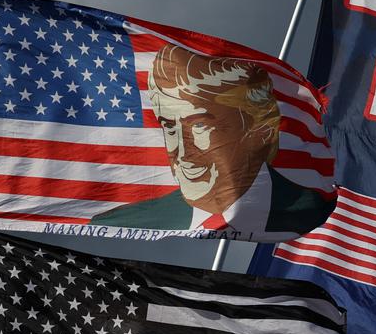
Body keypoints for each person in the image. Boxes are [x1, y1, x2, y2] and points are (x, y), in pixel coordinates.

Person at [91, 43, 328, 235]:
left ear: (260, 132)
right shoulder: (120, 221)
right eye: (170, 127)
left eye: (199, 125)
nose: (182, 151)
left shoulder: (311, 210)